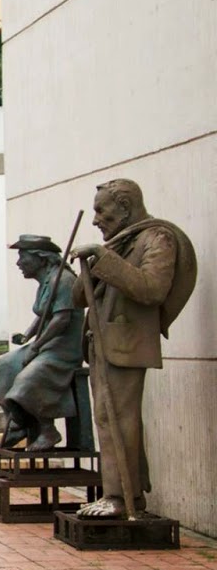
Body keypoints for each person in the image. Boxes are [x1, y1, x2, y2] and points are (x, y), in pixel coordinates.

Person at [68, 178, 197, 517]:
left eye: (101, 211)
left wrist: (104, 258)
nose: (96, 219)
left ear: (124, 208)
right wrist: (89, 266)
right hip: (103, 345)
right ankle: (123, 493)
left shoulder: (158, 238)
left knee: (120, 420)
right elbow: (80, 297)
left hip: (127, 346)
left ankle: (121, 497)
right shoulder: (118, 244)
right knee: (107, 419)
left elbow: (152, 289)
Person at [0, 234, 85, 451]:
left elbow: (61, 319)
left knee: (28, 378)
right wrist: (27, 337)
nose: (18, 263)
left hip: (63, 349)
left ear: (40, 258)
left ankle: (48, 430)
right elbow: (43, 316)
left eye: (22, 256)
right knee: (2, 367)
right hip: (46, 345)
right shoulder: (46, 282)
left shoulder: (63, 281)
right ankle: (17, 424)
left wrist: (36, 345)